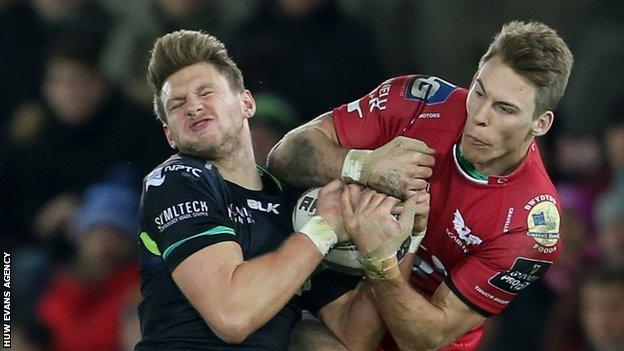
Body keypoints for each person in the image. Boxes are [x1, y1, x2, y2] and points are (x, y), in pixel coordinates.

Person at [268, 21, 573, 350]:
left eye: (504, 109)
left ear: (540, 123)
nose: (480, 116)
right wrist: (361, 165)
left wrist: (382, 260)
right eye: (479, 91)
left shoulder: (531, 228)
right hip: (335, 289)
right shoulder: (421, 101)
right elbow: (283, 155)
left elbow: (426, 338)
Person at [135, 30, 424, 350]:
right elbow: (231, 315)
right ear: (169, 136)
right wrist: (323, 229)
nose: (193, 107)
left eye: (206, 92)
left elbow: (354, 336)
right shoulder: (175, 181)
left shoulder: (292, 202)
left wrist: (398, 244)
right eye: (178, 104)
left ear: (246, 103)